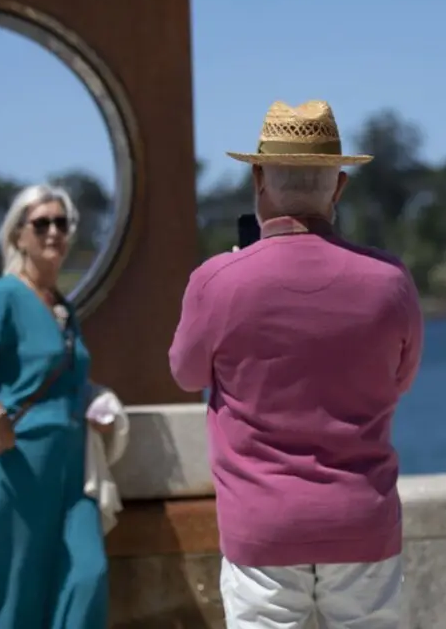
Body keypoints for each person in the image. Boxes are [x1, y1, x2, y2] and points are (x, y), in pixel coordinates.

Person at [169, 100, 424, 628]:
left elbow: (186, 374)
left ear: (258, 179)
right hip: (362, 520)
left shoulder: (216, 281)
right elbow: (401, 380)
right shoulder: (390, 281)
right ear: (339, 187)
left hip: (261, 526)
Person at [0, 183, 110, 629]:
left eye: (61, 223)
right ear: (19, 235)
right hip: (22, 461)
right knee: (16, 588)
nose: (54, 232)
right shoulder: (3, 296)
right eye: (42, 223)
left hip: (72, 468)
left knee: (87, 573)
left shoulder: (63, 307)